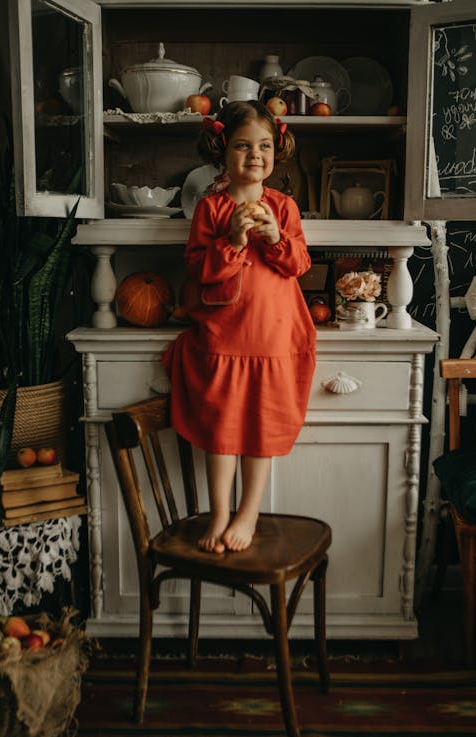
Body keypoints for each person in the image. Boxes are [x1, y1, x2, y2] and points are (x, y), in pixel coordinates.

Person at [162, 100, 316, 554]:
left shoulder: (283, 207)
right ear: (221, 150)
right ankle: (220, 512)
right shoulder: (210, 209)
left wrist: (274, 238)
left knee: (261, 428)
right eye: (243, 146)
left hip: (271, 337)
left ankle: (248, 510)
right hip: (224, 336)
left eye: (265, 146)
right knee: (221, 428)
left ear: (277, 151)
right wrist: (232, 239)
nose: (255, 155)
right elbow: (199, 271)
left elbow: (299, 265)